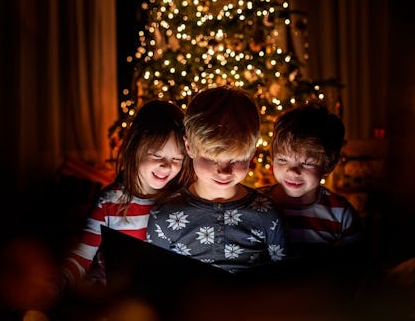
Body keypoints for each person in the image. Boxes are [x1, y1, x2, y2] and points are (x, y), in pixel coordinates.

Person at [21, 99, 192, 317]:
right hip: (111, 302)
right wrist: (56, 285)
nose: (167, 166)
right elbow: (82, 255)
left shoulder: (178, 204)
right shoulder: (109, 202)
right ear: (135, 147)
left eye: (176, 159)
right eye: (157, 155)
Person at [146, 85, 287, 274]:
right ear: (189, 147)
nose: (224, 172)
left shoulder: (268, 214)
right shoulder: (164, 215)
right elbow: (155, 278)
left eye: (236, 159)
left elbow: (284, 279)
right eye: (211, 159)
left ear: (252, 152)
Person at [259, 102, 361, 259]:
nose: (292, 171)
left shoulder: (341, 214)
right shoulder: (255, 204)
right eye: (282, 159)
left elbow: (354, 266)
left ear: (328, 165)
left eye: (307, 163)